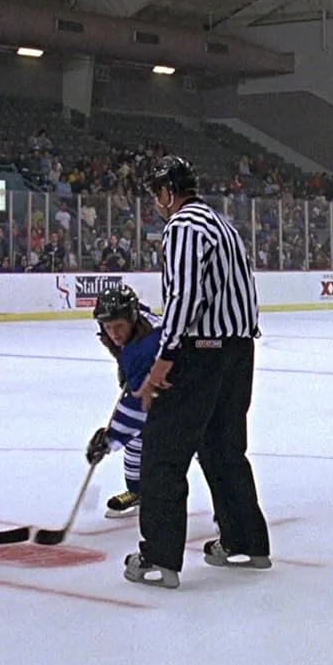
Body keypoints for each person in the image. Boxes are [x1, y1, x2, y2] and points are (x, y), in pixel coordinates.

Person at [128, 155, 271, 589]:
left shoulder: (184, 226)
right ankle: (246, 542)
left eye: (157, 193)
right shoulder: (222, 225)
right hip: (239, 350)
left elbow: (184, 296)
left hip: (200, 353)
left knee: (162, 452)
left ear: (168, 191)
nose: (156, 202)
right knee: (223, 448)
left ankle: (159, 558)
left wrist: (165, 357)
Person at [85, 285, 162, 519]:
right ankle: (138, 491)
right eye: (108, 327)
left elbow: (138, 406)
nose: (114, 333)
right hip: (163, 384)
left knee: (205, 448)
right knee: (137, 439)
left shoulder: (142, 348)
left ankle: (229, 514)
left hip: (197, 389)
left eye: (119, 326)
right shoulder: (139, 322)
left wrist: (110, 440)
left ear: (132, 318)